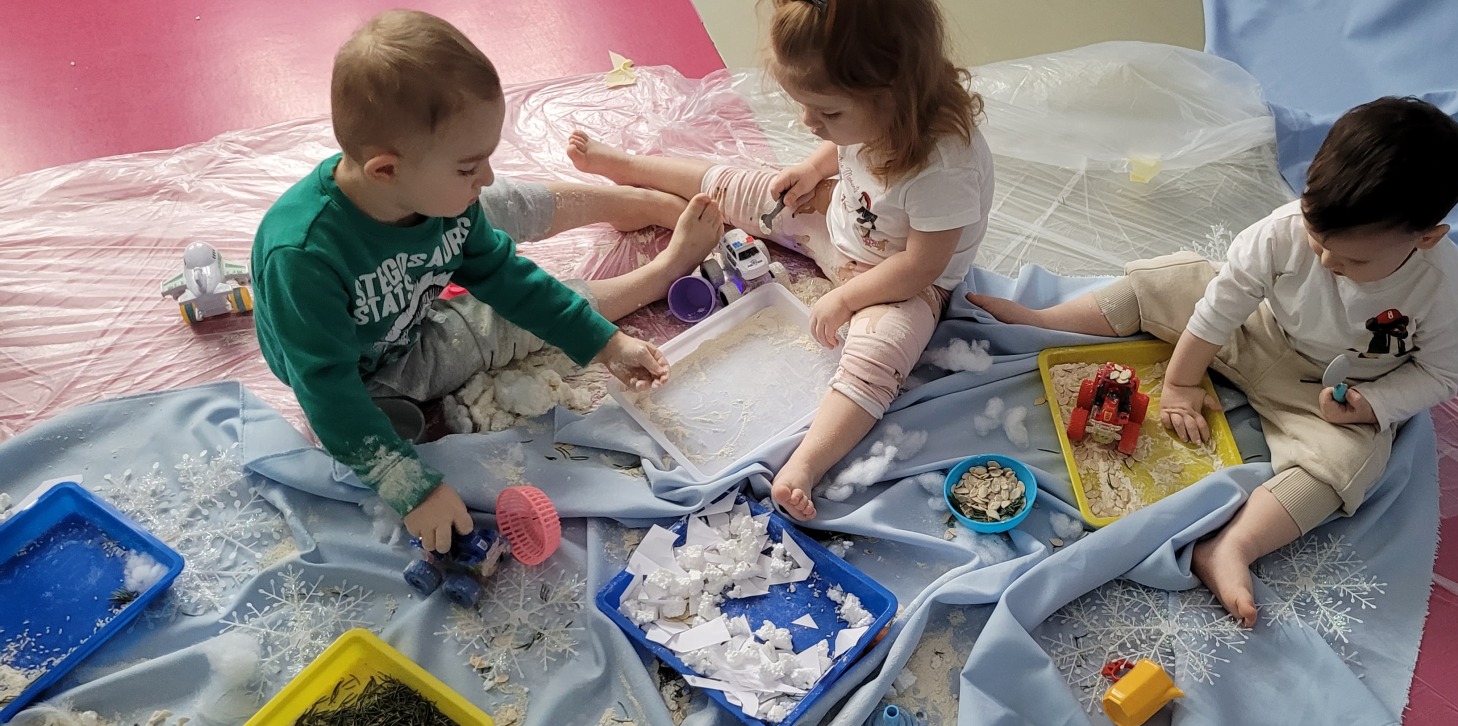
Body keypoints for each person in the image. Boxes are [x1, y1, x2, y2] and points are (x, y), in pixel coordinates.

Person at [971, 97, 1458, 625]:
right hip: (1254, 328)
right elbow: (1220, 306)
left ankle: (1232, 546)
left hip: (1327, 388)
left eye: (1354, 260)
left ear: (1426, 238)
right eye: (1316, 238)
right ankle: (1046, 320)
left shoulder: (1445, 291)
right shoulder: (1281, 231)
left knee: (1343, 468)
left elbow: (1443, 373)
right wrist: (1180, 382)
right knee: (1170, 280)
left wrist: (1374, 404)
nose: (1327, 261)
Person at [252, 10, 724, 552]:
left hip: (414, 276)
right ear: (385, 170)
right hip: (371, 367)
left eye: (486, 158)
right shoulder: (303, 258)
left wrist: (604, 342)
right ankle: (660, 273)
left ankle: (626, 199)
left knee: (498, 203)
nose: (487, 173)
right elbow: (327, 389)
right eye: (469, 166)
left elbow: (505, 274)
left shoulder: (431, 192)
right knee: (489, 330)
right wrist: (410, 487)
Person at [565, 0, 993, 520]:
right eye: (804, 106)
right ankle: (631, 167)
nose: (808, 122)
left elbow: (922, 266)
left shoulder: (944, 166)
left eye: (828, 113)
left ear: (895, 95)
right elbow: (845, 150)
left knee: (880, 352)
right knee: (741, 186)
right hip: (840, 224)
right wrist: (812, 170)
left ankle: (807, 464)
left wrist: (846, 298)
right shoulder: (874, 113)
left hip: (903, 279)